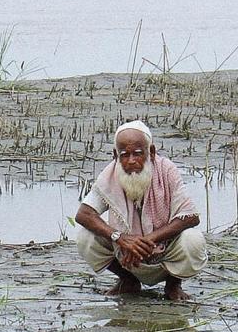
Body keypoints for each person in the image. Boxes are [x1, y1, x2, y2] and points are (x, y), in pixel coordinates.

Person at [75, 120, 207, 301]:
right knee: (86, 237)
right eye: (124, 155)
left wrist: (147, 241)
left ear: (151, 152)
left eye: (138, 153)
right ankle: (128, 281)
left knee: (192, 239)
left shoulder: (166, 170)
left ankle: (173, 286)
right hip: (127, 256)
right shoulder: (110, 174)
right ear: (116, 155)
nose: (131, 161)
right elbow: (84, 214)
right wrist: (120, 238)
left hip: (165, 251)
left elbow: (190, 217)